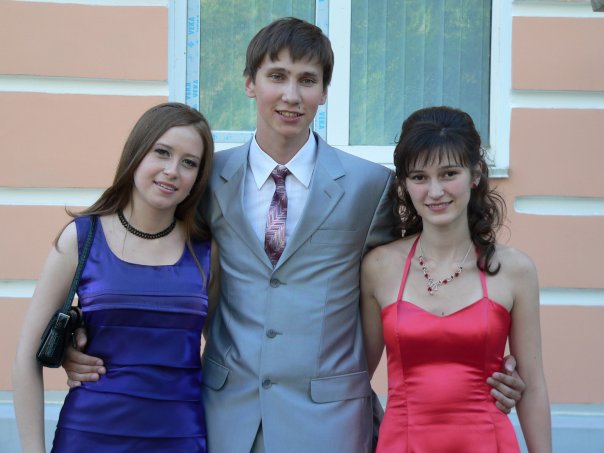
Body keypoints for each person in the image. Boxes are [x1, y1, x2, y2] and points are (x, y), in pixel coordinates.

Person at [62, 18, 526, 453]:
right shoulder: (206, 177)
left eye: (307, 80)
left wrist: (480, 361)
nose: (291, 94)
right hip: (226, 415)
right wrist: (83, 336)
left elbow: (415, 274)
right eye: (277, 76)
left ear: (324, 92)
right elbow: (153, 258)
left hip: (330, 421)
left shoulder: (370, 187)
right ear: (250, 83)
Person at [13, 102, 217, 452]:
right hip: (88, 436)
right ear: (136, 153)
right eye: (162, 152)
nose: (172, 170)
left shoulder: (207, 251)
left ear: (198, 178)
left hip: (179, 438)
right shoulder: (81, 238)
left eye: (189, 163)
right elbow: (26, 357)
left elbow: (223, 353)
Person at [360, 106, 552, 452]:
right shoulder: (379, 267)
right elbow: (355, 378)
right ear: (404, 184)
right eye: (419, 177)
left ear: (475, 174)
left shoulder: (516, 270)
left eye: (449, 174)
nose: (435, 192)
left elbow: (533, 386)